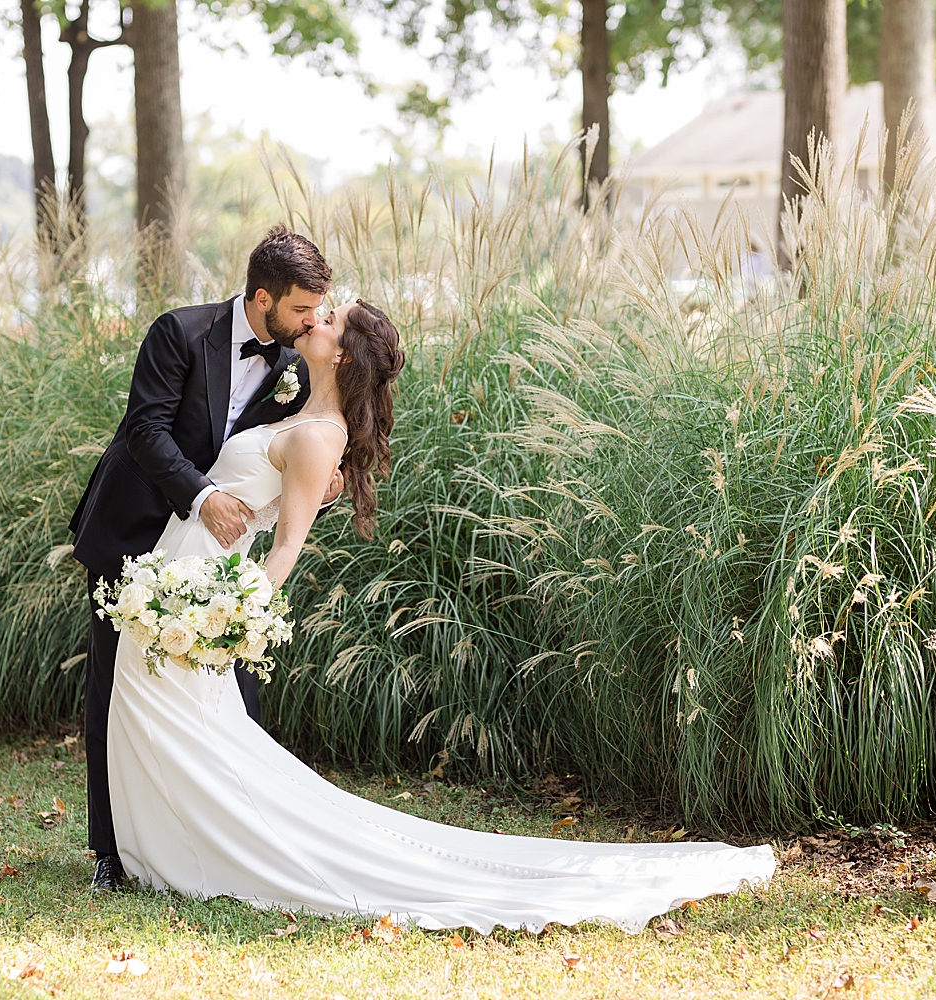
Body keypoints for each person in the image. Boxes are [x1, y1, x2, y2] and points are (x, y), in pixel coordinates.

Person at [101, 298, 777, 932]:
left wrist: (234, 619)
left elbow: (286, 551)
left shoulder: (316, 435)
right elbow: (268, 501)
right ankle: (161, 849)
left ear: (344, 355)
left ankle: (200, 852)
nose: (317, 319)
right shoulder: (297, 410)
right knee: (165, 720)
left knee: (187, 724)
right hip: (179, 576)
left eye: (330, 319)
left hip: (206, 600)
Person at [68, 225, 342, 893]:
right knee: (116, 693)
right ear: (261, 297)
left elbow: (299, 459)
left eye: (319, 310)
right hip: (135, 533)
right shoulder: (180, 332)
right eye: (302, 309)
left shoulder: (291, 360)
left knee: (228, 694)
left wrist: (325, 494)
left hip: (215, 561)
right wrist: (203, 495)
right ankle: (112, 851)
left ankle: (227, 840)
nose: (314, 321)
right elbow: (145, 429)